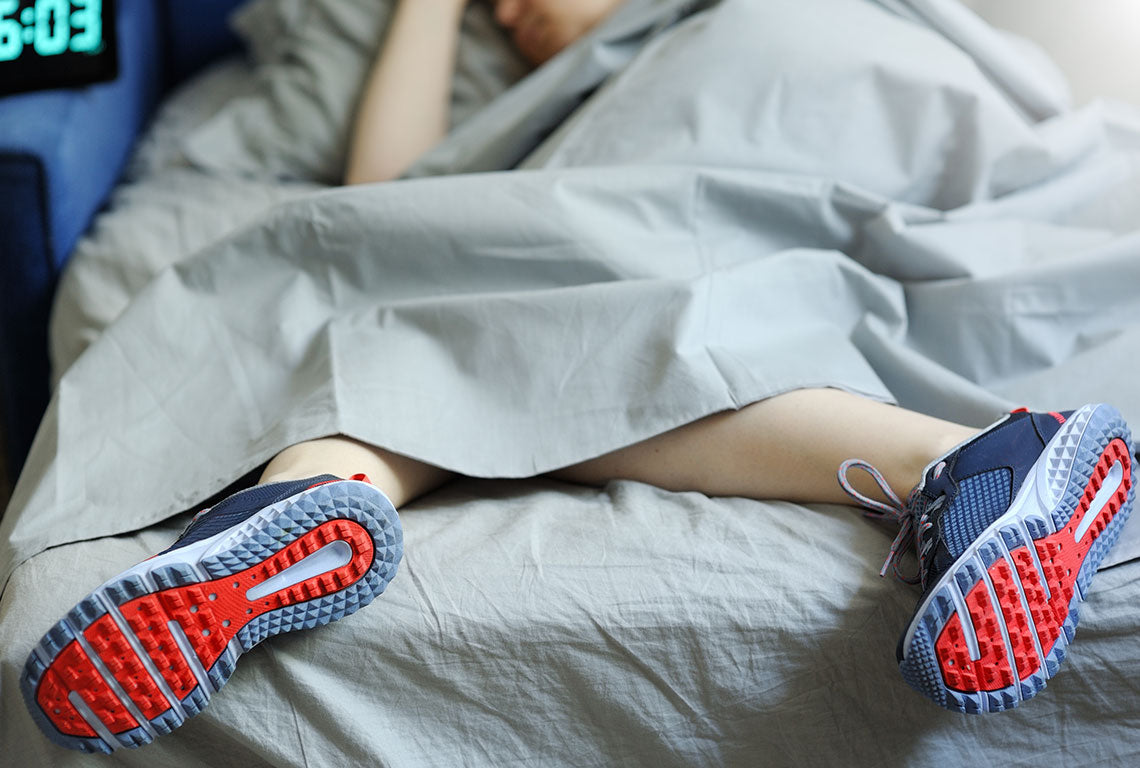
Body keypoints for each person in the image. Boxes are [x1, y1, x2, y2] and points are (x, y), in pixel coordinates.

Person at [21, 0, 1135, 752]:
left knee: (524, 287)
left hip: (788, 73)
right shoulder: (547, 98)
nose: (514, 12)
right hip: (686, 153)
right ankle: (974, 468)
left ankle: (324, 478)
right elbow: (387, 190)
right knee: (497, 279)